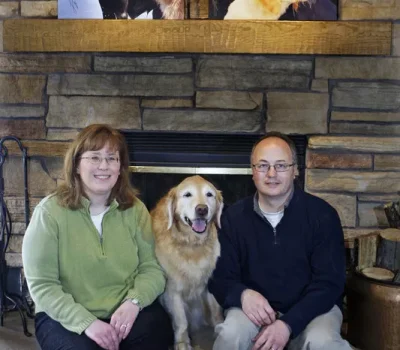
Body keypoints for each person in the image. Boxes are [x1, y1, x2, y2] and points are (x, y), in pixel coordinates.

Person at [22, 124, 173, 350]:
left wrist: (134, 302)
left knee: (159, 333)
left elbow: (151, 269)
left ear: (120, 167)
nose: (104, 166)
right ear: (76, 166)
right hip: (65, 317)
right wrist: (87, 323)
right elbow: (43, 286)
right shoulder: (49, 213)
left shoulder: (135, 210)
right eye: (94, 157)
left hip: (125, 310)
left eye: (112, 158)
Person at [209, 132, 352, 350]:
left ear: (295, 170)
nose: (272, 174)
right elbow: (219, 277)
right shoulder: (232, 218)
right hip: (254, 311)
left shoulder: (322, 215)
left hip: (312, 311)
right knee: (231, 334)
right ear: (252, 171)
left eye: (281, 165)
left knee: (323, 343)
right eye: (263, 165)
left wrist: (287, 324)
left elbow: (330, 284)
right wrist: (242, 295)